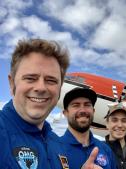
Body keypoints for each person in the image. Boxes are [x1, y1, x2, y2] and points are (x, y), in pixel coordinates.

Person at [0, 38, 70, 168]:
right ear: (11, 83)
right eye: (30, 78)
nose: (41, 88)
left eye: (51, 80)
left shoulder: (57, 143)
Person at [61, 88, 117, 169]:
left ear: (93, 111)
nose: (83, 110)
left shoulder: (106, 149)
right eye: (76, 105)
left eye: (87, 105)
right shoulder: (52, 149)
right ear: (65, 113)